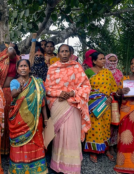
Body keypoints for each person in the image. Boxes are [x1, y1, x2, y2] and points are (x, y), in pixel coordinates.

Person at [45, 44, 91, 173]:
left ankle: (72, 164)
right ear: (58, 54)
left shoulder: (77, 67)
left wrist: (71, 93)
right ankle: (57, 163)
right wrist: (59, 93)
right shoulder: (53, 68)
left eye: (67, 51)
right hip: (57, 103)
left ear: (70, 53)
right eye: (62, 51)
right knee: (59, 134)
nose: (64, 53)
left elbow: (86, 86)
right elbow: (47, 88)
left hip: (72, 103)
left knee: (71, 133)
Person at [8, 59, 48, 174]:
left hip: (35, 119)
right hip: (19, 120)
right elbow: (13, 93)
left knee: (36, 142)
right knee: (19, 144)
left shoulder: (38, 82)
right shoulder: (14, 82)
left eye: (25, 66)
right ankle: (18, 169)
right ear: (17, 69)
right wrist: (19, 90)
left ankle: (37, 169)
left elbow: (43, 101)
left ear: (29, 69)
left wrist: (45, 119)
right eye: (21, 66)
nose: (23, 68)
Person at [83, 52, 118, 163]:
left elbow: (114, 89)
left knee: (105, 127)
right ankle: (93, 151)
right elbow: (84, 88)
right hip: (93, 104)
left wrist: (110, 98)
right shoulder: (88, 72)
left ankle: (105, 149)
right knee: (94, 127)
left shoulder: (107, 73)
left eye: (104, 59)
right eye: (101, 59)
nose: (104, 61)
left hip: (106, 104)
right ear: (94, 61)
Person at [114, 56, 134, 173]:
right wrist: (119, 92)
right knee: (127, 137)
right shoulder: (125, 79)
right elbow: (116, 95)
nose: (133, 65)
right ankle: (125, 164)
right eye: (132, 63)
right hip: (126, 112)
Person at [0, 43, 18, 155]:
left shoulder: (12, 59)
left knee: (7, 119)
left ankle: (7, 149)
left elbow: (12, 52)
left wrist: (10, 46)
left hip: (8, 92)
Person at [104, 54, 123, 156]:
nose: (112, 63)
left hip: (117, 101)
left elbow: (122, 86)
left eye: (114, 60)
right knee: (107, 124)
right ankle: (106, 146)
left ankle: (113, 145)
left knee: (116, 124)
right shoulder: (103, 72)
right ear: (106, 61)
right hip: (106, 101)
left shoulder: (119, 73)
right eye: (110, 60)